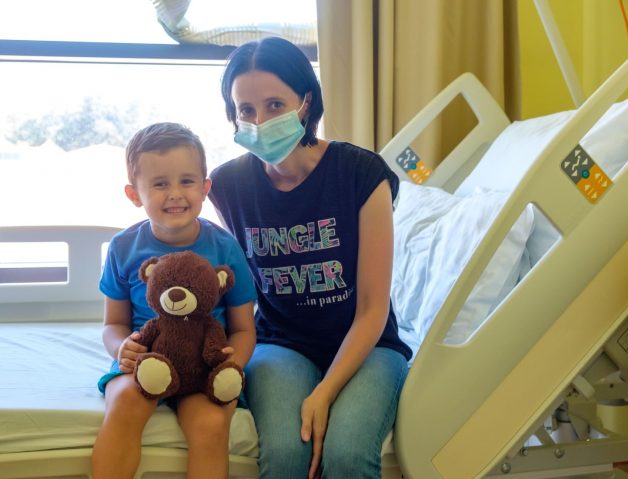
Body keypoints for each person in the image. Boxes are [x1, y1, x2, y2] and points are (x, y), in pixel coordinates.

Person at [208, 37, 412, 479]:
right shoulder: (226, 187)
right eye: (246, 110)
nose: (260, 122)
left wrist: (325, 392)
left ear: (305, 102)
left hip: (368, 343)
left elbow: (373, 307)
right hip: (280, 343)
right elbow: (231, 285)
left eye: (275, 105)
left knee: (347, 455)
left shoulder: (361, 174)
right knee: (286, 455)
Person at [91, 122, 257, 479]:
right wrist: (122, 349)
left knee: (211, 425)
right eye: (160, 184)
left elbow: (244, 328)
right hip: (145, 360)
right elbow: (113, 323)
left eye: (186, 181)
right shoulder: (123, 248)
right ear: (134, 194)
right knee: (124, 403)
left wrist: (232, 364)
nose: (175, 194)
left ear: (205, 188)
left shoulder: (225, 248)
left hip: (204, 364)